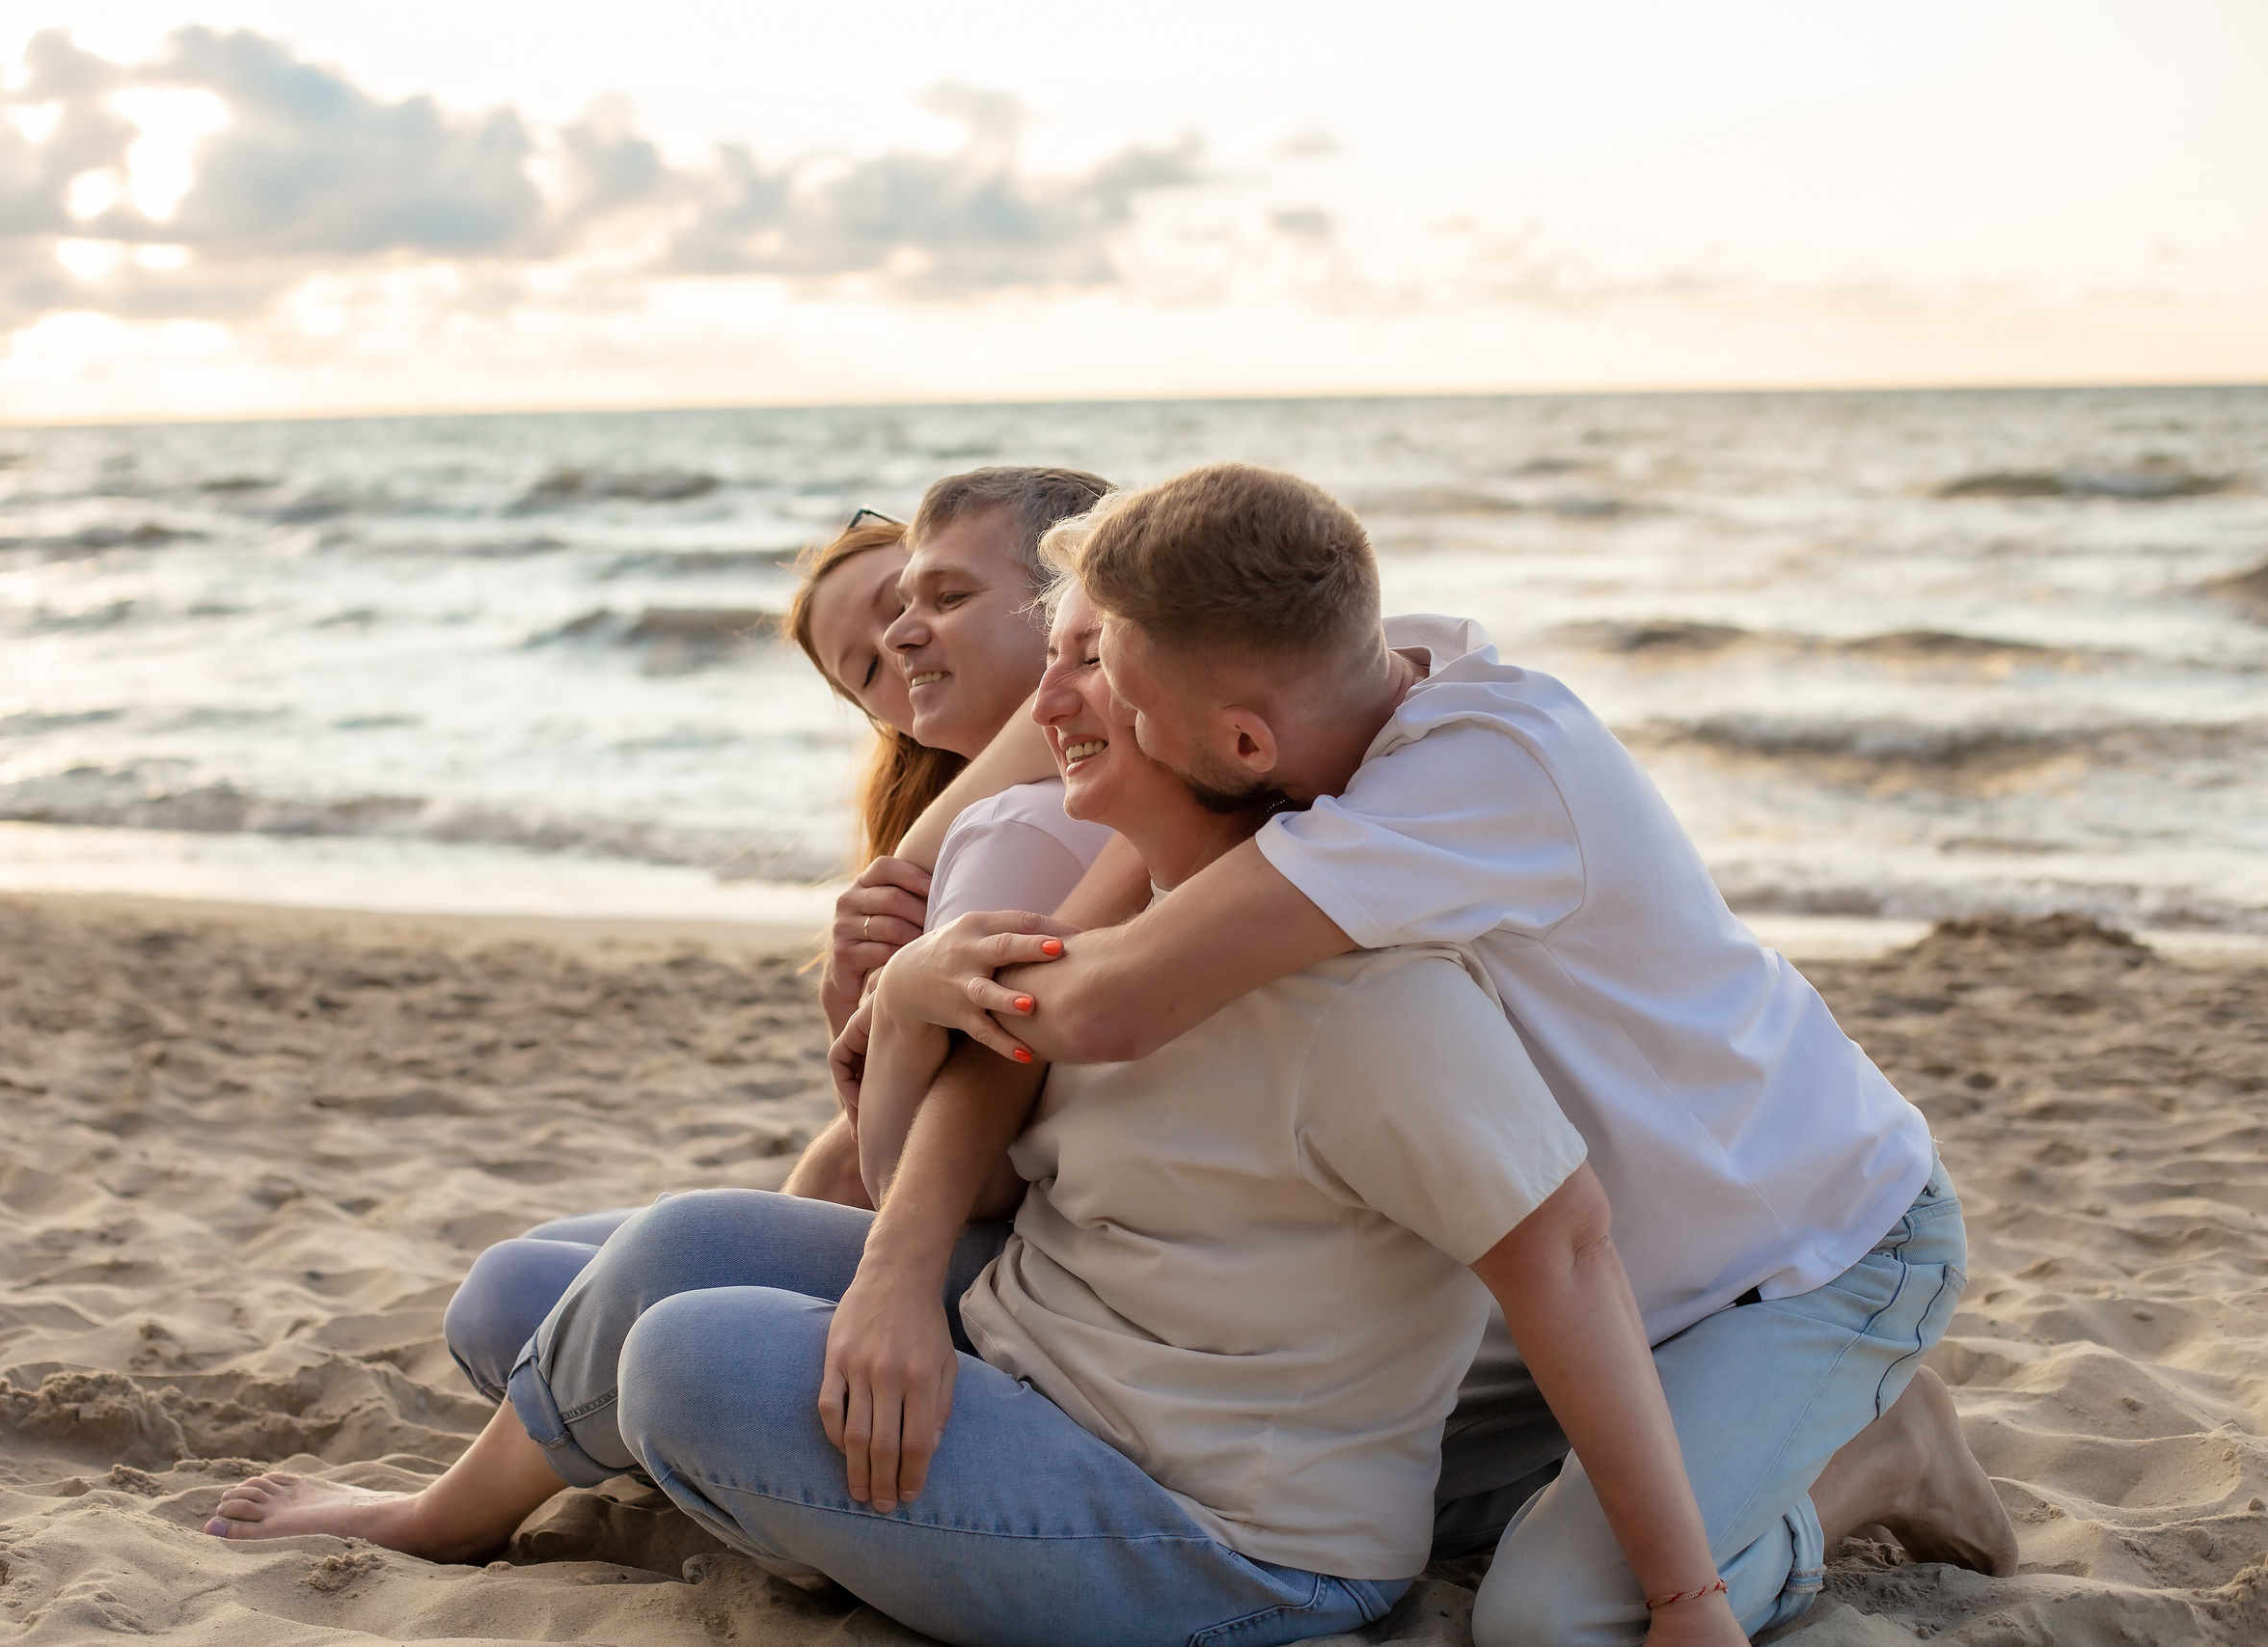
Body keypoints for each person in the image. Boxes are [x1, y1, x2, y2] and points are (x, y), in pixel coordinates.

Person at [206, 579, 1749, 1647]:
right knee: (594, 1276)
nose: (1048, 703)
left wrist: (1684, 1597)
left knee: (677, 1353)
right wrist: (914, 997)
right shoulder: (1095, 918)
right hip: (1040, 1357)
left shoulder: (1370, 1003)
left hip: (1232, 1534)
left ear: (1228, 736)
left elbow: (1567, 1254)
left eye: (1095, 669)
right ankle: (522, 1501)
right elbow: (902, 1175)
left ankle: (478, 1510)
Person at [849, 465, 2017, 1645]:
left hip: (1803, 1251)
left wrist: (921, 980)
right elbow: (1083, 954)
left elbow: (1107, 1001)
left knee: (1555, 1621)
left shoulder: (1469, 777)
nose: (1072, 707)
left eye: (1115, 687)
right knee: (1376, 1488)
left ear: (1243, 739)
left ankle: (1882, 1453)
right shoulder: (1332, 685)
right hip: (1578, 1279)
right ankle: (1692, 1466)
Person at [211, 468, 1115, 1510]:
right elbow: (894, 1133)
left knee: (603, 1293)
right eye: (868, 656)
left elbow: (929, 1163)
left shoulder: (1018, 825)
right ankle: (677, 1451)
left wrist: (883, 1019)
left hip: (978, 1252)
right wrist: (858, 1014)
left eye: (928, 597)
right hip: (931, 1209)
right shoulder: (962, 841)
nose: (905, 637)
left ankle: (529, 1490)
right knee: (520, 1285)